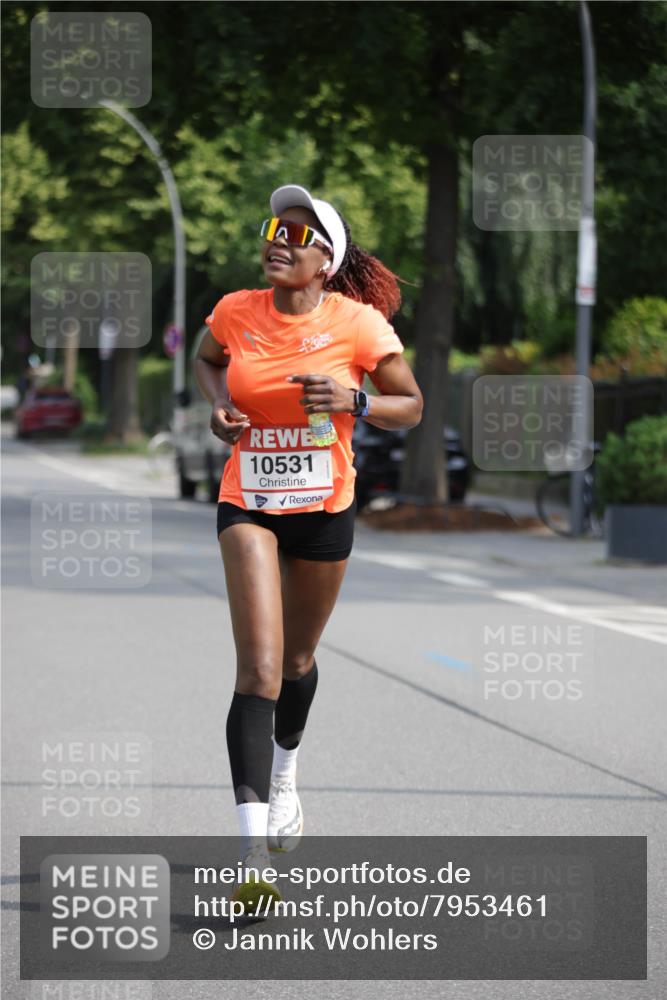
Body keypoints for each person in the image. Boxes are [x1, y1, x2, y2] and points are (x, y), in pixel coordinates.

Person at [195, 184, 423, 890]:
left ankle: (286, 769)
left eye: (296, 236)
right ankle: (251, 858)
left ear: (326, 261)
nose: (277, 242)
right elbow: (206, 359)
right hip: (249, 501)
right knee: (259, 669)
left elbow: (410, 406)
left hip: (325, 507)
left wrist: (356, 399)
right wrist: (221, 407)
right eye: (273, 230)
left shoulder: (357, 325)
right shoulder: (235, 311)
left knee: (297, 661)